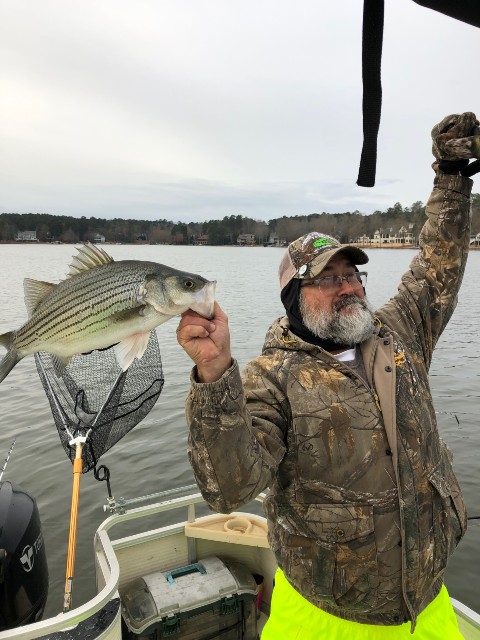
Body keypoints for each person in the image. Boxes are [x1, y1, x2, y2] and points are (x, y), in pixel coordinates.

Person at [176, 112, 479, 639]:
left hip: (427, 607)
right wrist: (214, 371)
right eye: (328, 280)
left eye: (352, 275)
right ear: (295, 301)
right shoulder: (270, 379)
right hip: (324, 619)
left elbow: (438, 264)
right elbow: (228, 489)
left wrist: (451, 179)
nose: (349, 288)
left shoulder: (398, 330)